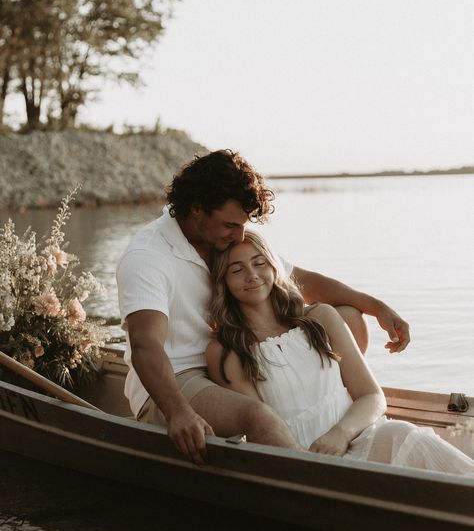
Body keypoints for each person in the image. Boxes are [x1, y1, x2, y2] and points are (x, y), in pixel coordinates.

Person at [116, 149, 410, 465]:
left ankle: (339, 418)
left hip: (236, 351)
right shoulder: (148, 257)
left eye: (243, 224)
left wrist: (375, 306)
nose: (240, 235)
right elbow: (145, 345)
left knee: (349, 317)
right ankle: (318, 481)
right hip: (178, 376)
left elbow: (300, 281)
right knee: (260, 417)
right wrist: (178, 412)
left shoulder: (223, 240)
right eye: (231, 224)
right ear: (197, 209)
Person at [205, 230, 473, 474]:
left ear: (275, 267)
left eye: (259, 263)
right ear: (223, 282)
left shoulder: (321, 317)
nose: (252, 274)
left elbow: (371, 396)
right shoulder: (228, 352)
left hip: (360, 436)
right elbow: (261, 428)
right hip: (305, 459)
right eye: (236, 270)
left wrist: (340, 433)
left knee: (403, 435)